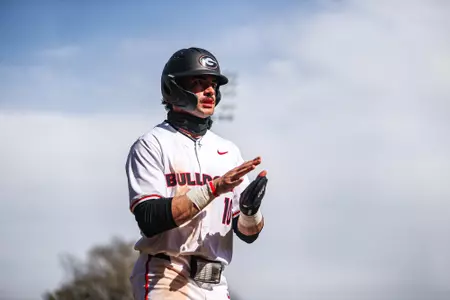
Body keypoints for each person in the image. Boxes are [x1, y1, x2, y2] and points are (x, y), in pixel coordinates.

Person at [125, 47, 269, 300]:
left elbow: (248, 235)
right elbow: (149, 218)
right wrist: (214, 188)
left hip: (215, 282)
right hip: (166, 274)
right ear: (175, 88)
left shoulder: (227, 150)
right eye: (198, 82)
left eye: (213, 83)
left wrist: (250, 212)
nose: (210, 90)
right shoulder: (152, 143)